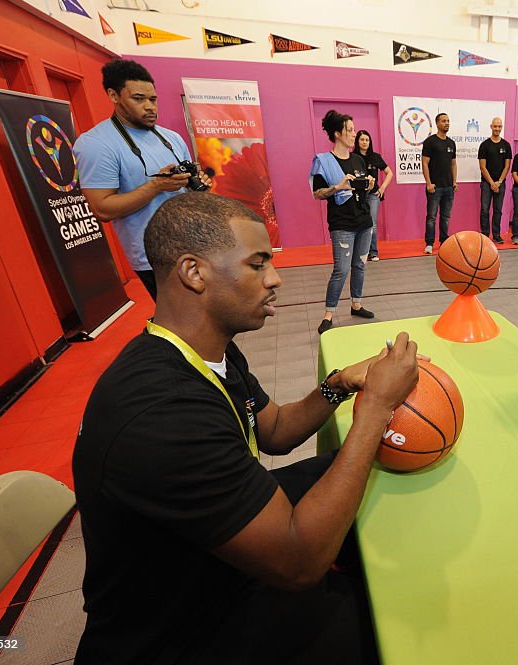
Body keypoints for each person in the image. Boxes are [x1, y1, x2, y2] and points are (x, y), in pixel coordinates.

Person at [72, 192, 420, 665]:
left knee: (347, 472)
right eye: (258, 264)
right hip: (181, 631)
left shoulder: (203, 348)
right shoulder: (163, 412)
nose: (275, 278)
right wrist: (376, 407)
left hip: (207, 569)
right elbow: (299, 563)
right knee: (383, 625)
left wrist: (339, 384)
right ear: (194, 273)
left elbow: (273, 429)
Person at [75, 59, 210, 299]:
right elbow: (103, 208)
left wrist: (196, 184)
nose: (150, 107)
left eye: (153, 99)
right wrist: (156, 186)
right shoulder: (96, 144)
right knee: (184, 325)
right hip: (155, 256)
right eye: (139, 99)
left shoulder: (171, 138)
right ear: (114, 95)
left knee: (214, 320)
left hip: (196, 243)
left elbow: (188, 189)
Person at [310, 110, 376, 334]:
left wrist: (368, 185)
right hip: (342, 224)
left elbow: (362, 192)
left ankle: (356, 304)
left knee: (360, 265)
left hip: (364, 221)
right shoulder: (324, 162)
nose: (353, 134)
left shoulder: (358, 159)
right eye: (349, 130)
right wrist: (337, 187)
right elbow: (317, 194)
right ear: (337, 134)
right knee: (341, 269)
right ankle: (329, 314)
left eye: (354, 130)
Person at [354, 130, 392, 261]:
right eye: (362, 139)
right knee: (358, 223)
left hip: (373, 195)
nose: (364, 142)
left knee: (372, 224)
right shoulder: (352, 157)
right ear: (357, 141)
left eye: (367, 140)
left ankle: (373, 252)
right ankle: (360, 252)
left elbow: (389, 173)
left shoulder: (375, 157)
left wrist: (382, 188)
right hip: (357, 195)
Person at [421, 113, 457, 254]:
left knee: (446, 217)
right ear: (437, 123)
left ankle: (444, 241)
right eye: (443, 121)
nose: (446, 123)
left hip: (449, 187)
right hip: (434, 188)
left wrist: (454, 182)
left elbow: (453, 164)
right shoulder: (430, 142)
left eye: (448, 121)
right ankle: (429, 243)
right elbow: (425, 163)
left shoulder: (451, 143)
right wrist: (428, 183)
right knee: (431, 217)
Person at [477, 117, 512, 243]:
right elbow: (482, 167)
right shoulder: (484, 145)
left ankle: (496, 235)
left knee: (498, 210)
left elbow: (507, 166)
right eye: (495, 126)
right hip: (487, 184)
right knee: (484, 210)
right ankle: (485, 235)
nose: (497, 129)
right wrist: (492, 183)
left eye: (499, 126)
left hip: (500, 183)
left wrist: (499, 182)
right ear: (491, 126)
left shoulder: (506, 145)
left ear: (501, 127)